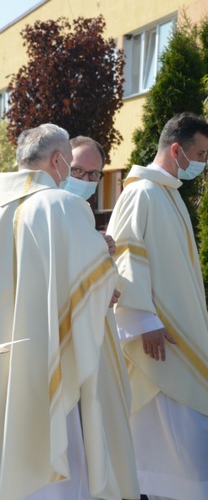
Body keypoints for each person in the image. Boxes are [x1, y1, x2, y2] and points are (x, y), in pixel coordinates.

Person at [0, 124, 139, 499]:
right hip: (45, 357)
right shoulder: (62, 206)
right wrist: (104, 262)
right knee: (56, 464)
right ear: (58, 160)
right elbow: (97, 287)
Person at [107, 112, 208, 500]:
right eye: (200, 153)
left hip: (178, 329)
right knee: (172, 433)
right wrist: (142, 319)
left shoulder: (167, 193)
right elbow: (125, 254)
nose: (203, 163)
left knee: (181, 435)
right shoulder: (141, 192)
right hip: (158, 335)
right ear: (177, 149)